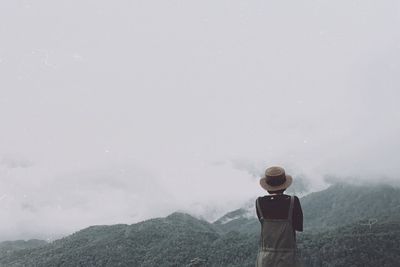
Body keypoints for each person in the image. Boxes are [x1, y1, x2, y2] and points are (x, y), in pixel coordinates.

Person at [255, 166, 303, 267]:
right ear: (285, 185)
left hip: (265, 259)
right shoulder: (293, 202)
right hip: (287, 259)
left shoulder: (259, 202)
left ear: (267, 187)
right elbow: (298, 227)